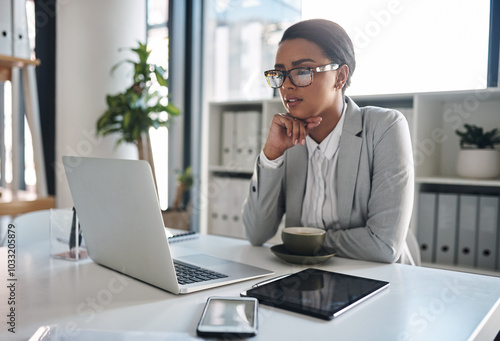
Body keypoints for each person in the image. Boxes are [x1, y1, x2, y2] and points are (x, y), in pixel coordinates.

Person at [242, 19, 414, 263]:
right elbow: (256, 234)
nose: (287, 85)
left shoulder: (385, 127)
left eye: (302, 71)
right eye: (280, 73)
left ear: (340, 77)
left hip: (379, 281)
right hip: (305, 278)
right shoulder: (285, 137)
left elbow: (383, 246)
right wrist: (272, 157)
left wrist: (302, 242)